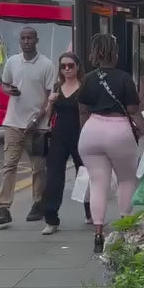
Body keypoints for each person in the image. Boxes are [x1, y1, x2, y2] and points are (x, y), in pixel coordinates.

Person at [78, 33, 144, 254]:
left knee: (98, 183)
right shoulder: (124, 78)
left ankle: (99, 234)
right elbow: (133, 111)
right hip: (118, 130)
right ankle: (125, 230)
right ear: (114, 54)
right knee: (127, 180)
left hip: (92, 130)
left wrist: (85, 131)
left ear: (95, 53)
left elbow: (83, 110)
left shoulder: (88, 78)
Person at [0, 26, 55, 227]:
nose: (27, 41)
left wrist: (39, 119)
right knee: (9, 165)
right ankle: (4, 208)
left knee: (38, 168)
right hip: (13, 124)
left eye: (30, 38)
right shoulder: (12, 61)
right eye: (23, 38)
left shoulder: (47, 65)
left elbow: (50, 97)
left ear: (36, 40)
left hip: (38, 127)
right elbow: (4, 84)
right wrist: (8, 90)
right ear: (19, 41)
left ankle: (38, 203)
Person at [41, 52, 92, 235]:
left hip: (80, 136)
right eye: (63, 66)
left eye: (70, 65)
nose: (67, 69)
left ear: (78, 66)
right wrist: (50, 101)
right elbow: (48, 116)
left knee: (85, 175)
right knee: (54, 178)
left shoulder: (85, 87)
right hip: (58, 137)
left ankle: (90, 212)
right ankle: (51, 219)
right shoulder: (57, 87)